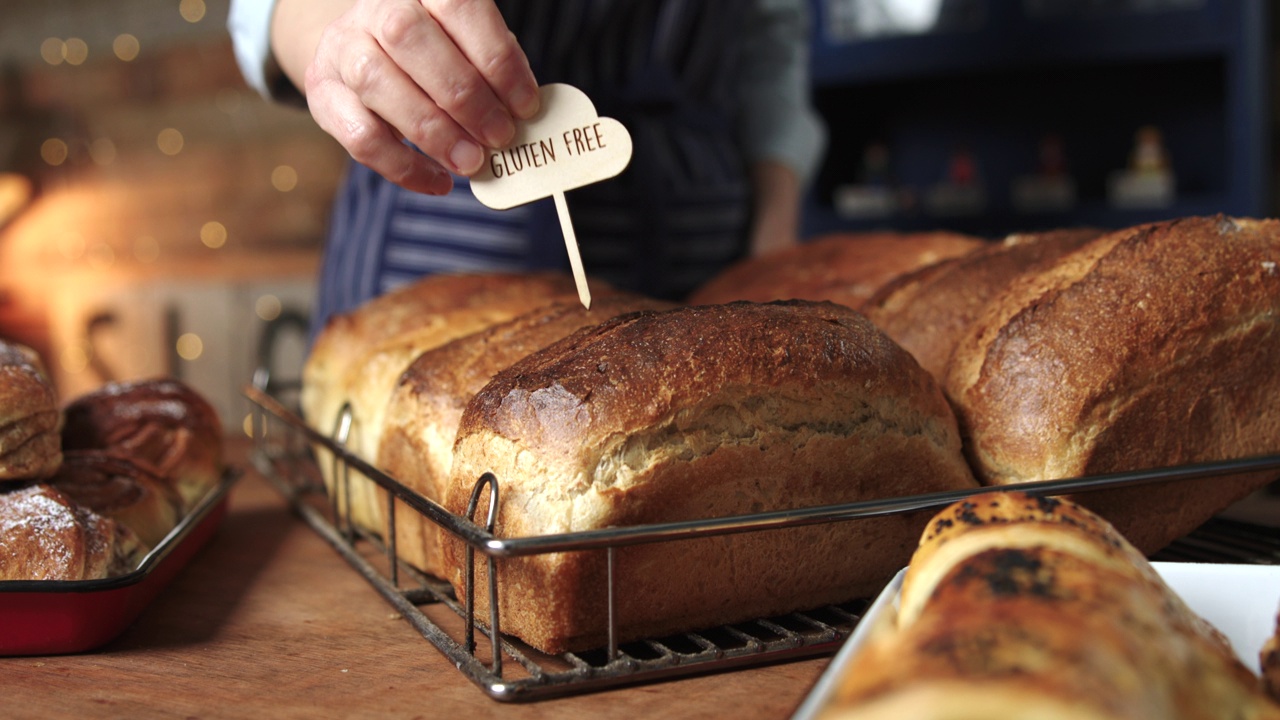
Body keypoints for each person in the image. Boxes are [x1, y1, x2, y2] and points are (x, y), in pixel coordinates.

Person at [227, 0, 826, 330]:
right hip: (436, 239)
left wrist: (774, 224)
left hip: (708, 262)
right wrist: (342, 28)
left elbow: (771, 34)